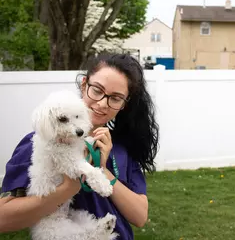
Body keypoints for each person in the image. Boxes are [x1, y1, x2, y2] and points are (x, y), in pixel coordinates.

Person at [0, 53, 159, 239]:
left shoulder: (122, 147)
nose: (102, 103)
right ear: (84, 85)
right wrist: (68, 188)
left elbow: (140, 217)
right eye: (97, 90)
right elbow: (3, 219)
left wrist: (101, 169)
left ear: (124, 104)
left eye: (115, 98)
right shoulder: (42, 142)